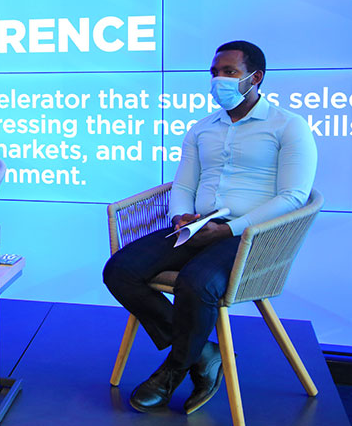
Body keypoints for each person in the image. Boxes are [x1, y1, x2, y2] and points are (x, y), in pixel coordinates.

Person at [103, 41, 316, 414]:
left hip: (252, 234)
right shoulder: (203, 128)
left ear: (255, 78)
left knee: (196, 282)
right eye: (215, 73)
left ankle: (172, 370)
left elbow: (294, 196)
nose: (219, 80)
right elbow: (183, 185)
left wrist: (231, 231)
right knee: (119, 270)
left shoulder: (288, 126)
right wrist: (182, 216)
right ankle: (203, 352)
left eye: (229, 73)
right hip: (199, 226)